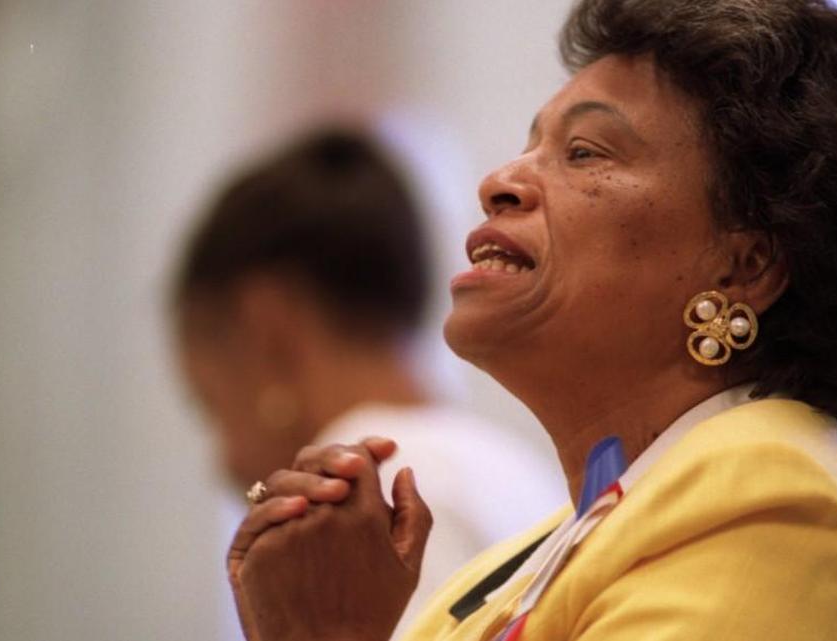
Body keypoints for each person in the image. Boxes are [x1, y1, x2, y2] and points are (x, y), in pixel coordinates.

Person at [224, 1, 837, 639]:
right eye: (530, 144)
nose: (500, 181)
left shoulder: (771, 504)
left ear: (745, 266)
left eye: (583, 153)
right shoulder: (515, 568)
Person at [171, 128, 566, 639]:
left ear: (268, 329)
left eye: (211, 407)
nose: (221, 463)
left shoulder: (371, 506)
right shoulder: (499, 463)